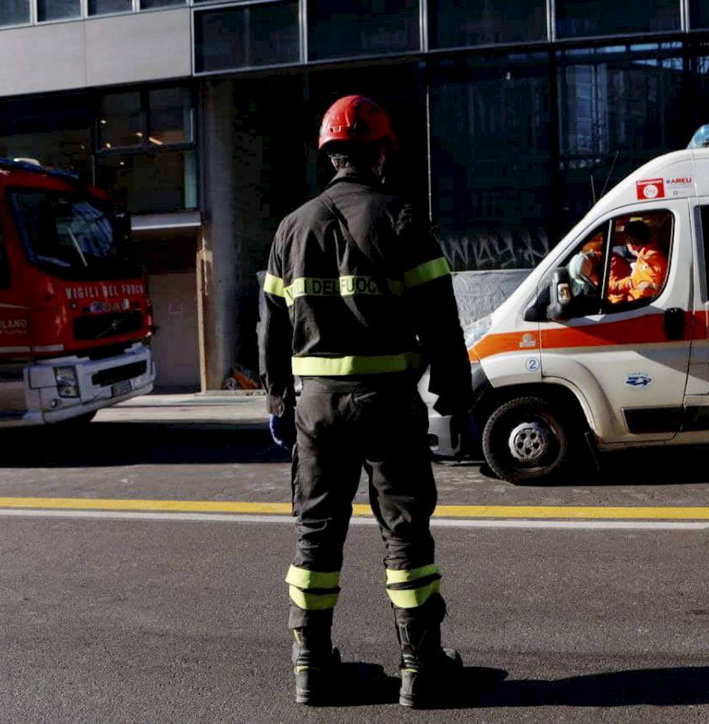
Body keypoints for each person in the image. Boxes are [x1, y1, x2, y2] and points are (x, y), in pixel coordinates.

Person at [259, 95, 472, 707]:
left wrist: (278, 400)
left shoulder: (291, 227)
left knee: (316, 535)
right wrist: (454, 391)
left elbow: (270, 325)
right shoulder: (402, 217)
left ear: (331, 156)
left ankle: (311, 667)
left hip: (317, 410)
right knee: (405, 536)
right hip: (388, 406)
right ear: (380, 154)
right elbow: (440, 316)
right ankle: (420, 668)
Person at [608, 220, 668, 303]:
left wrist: (612, 288)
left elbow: (643, 291)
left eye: (627, 243)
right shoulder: (647, 254)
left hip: (637, 305)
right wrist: (612, 287)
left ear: (632, 246)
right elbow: (634, 281)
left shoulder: (649, 261)